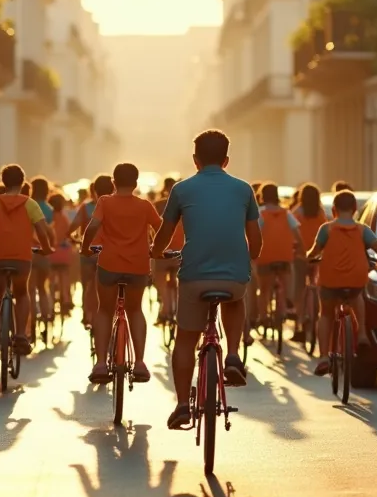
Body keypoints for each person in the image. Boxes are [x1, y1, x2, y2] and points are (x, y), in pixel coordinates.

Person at [150, 130, 261, 431]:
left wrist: (156, 252)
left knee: (185, 338)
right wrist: (251, 255)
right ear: (227, 159)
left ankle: (183, 404)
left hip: (195, 276)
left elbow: (164, 232)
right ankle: (235, 355)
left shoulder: (182, 190)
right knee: (235, 299)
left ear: (195, 160)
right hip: (235, 275)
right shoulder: (243, 190)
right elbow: (256, 239)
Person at [82, 163, 163, 384]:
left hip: (109, 265)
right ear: (136, 183)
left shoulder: (105, 202)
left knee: (105, 311)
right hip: (137, 267)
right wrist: (157, 250)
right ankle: (139, 363)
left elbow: (92, 227)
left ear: (113, 183)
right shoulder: (145, 206)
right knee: (135, 309)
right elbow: (161, 228)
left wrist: (85, 247)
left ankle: (100, 363)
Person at [306, 190, 377, 375]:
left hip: (330, 280)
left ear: (334, 209)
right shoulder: (362, 230)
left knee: (326, 315)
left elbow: (315, 251)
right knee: (357, 297)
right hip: (355, 278)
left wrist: (309, 257)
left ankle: (323, 357)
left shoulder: (326, 229)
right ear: (355, 209)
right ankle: (361, 333)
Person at [0, 164, 55, 355]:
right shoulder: (30, 204)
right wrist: (46, 249)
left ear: (3, 181)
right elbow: (41, 230)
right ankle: (21, 334)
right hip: (21, 257)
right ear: (22, 182)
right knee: (22, 292)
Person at [254, 183, 303, 330]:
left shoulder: (259, 213)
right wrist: (298, 249)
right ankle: (287, 301)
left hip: (265, 257)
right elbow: (298, 237)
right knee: (288, 274)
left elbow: (253, 235)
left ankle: (262, 317)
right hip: (284, 256)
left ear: (262, 196)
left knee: (264, 289)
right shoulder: (286, 213)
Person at [72, 174, 115, 330]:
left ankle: (87, 315)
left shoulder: (86, 207)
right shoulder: (115, 205)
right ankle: (110, 315)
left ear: (94, 191)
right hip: (110, 253)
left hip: (89, 251)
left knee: (87, 285)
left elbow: (73, 226)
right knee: (110, 287)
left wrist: (73, 238)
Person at [291, 183, 327, 342]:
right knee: (316, 286)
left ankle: (300, 321)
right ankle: (315, 316)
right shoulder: (320, 213)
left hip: (300, 255)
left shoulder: (297, 212)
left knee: (299, 289)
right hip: (317, 255)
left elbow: (290, 231)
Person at [152, 177, 183, 324]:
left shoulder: (158, 205)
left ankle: (165, 307)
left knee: (159, 279)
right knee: (179, 280)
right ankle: (177, 307)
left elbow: (150, 226)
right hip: (181, 249)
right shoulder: (186, 204)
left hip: (162, 248)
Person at [29, 176, 56, 329]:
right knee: (42, 287)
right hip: (44, 252)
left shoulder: (29, 206)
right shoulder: (49, 209)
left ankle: (31, 319)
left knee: (30, 289)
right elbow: (50, 231)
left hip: (30, 252)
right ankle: (46, 316)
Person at [47, 192, 75, 315]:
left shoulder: (49, 217)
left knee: (51, 278)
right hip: (63, 252)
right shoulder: (64, 218)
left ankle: (51, 300)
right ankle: (66, 298)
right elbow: (68, 233)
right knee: (65, 276)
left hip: (51, 252)